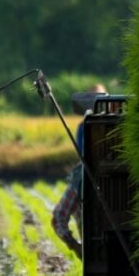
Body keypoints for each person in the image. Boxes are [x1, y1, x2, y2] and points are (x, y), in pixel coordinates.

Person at [51, 84, 107, 255]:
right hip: (95, 249)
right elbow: (58, 217)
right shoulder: (84, 128)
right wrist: (75, 246)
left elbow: (58, 217)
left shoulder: (112, 126)